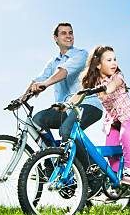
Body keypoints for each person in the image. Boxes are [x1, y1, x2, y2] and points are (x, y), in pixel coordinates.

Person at [23, 23, 103, 163]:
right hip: (65, 109)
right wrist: (21, 99)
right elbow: (38, 80)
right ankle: (53, 162)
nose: (68, 36)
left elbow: (64, 72)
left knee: (66, 130)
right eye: (64, 33)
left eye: (70, 33)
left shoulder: (82, 54)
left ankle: (90, 169)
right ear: (55, 38)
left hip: (87, 104)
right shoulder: (53, 62)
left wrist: (45, 84)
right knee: (37, 120)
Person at [78, 46, 130, 185]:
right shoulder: (95, 82)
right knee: (110, 149)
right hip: (112, 120)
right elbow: (79, 96)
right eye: (109, 60)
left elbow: (113, 86)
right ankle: (115, 179)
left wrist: (105, 88)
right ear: (98, 64)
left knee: (125, 135)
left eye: (114, 59)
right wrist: (67, 105)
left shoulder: (118, 76)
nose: (114, 63)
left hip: (128, 115)